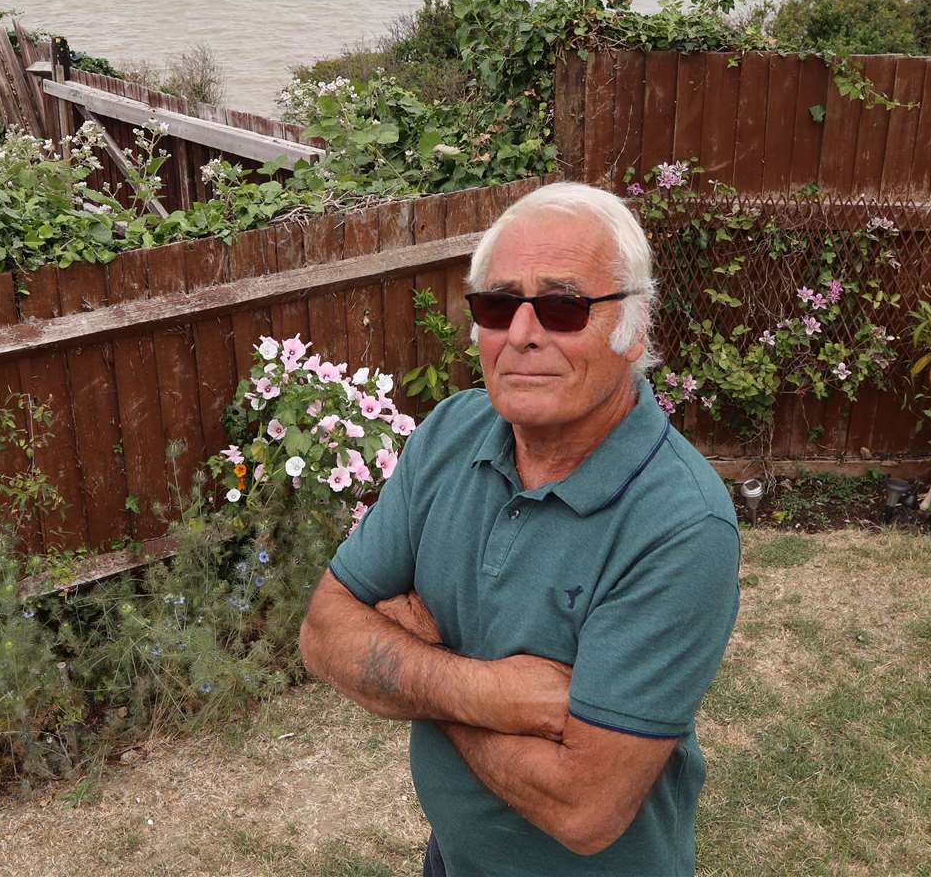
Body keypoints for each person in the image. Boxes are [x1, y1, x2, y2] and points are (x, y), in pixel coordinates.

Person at [298, 182, 740, 876]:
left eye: (564, 306)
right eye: (498, 305)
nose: (523, 333)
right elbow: (323, 633)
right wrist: (493, 693)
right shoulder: (450, 432)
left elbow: (583, 811)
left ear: (635, 328)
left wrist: (417, 661)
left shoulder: (680, 525)